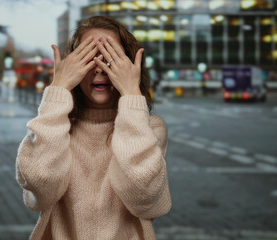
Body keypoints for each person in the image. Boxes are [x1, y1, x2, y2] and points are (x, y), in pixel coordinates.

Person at [15, 16, 171, 240]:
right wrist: (58, 88)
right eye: (88, 56)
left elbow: (144, 199)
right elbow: (40, 187)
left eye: (111, 56)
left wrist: (131, 95)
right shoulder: (56, 125)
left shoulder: (150, 128)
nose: (100, 68)